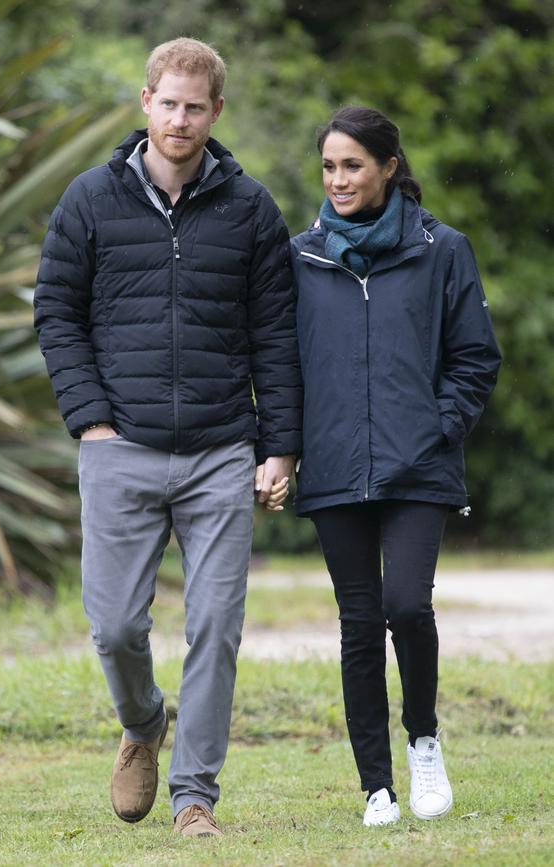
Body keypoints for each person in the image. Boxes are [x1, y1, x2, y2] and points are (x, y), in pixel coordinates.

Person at [34, 38, 302, 838]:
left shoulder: (251, 209)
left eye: (196, 106)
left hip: (222, 445)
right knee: (115, 626)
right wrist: (93, 420)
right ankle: (143, 722)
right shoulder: (89, 200)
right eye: (168, 102)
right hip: (121, 442)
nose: (180, 119)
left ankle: (195, 798)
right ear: (143, 102)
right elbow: (56, 313)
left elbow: (277, 337)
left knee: (216, 623)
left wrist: (277, 446)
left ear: (217, 112)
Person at [292, 106, 501, 827]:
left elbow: (476, 356)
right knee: (357, 622)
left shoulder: (444, 249)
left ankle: (424, 740)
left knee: (406, 605)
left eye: (353, 165)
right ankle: (375, 784)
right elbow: (282, 367)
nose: (339, 179)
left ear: (388, 165)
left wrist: (438, 427)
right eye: (328, 167)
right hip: (333, 466)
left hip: (420, 463)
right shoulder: (303, 257)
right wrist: (286, 448)